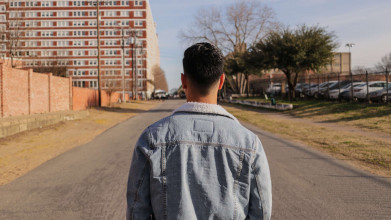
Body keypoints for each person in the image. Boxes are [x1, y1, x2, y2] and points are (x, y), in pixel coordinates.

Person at [126, 42, 272, 220]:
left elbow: (136, 210)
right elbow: (262, 212)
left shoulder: (152, 138)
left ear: (183, 81)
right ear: (221, 81)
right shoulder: (250, 143)